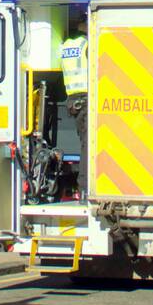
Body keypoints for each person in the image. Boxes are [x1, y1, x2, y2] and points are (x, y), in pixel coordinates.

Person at [60, 26, 89, 192]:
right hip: (86, 99)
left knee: (84, 143)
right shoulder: (86, 45)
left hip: (73, 100)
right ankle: (85, 186)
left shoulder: (65, 46)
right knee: (88, 145)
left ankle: (84, 187)